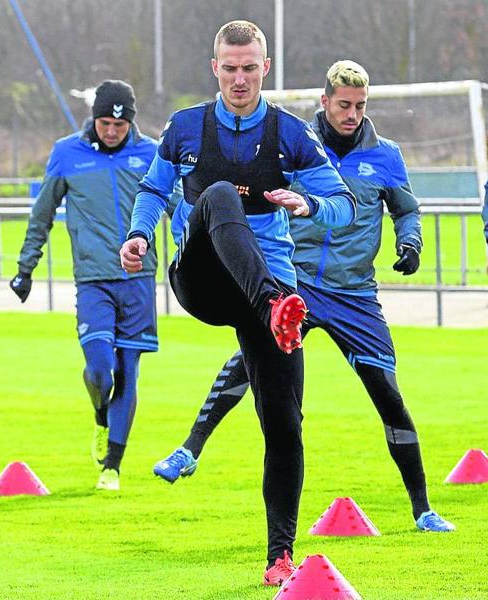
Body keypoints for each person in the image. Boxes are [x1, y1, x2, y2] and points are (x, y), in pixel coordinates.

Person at [156, 60, 455, 536]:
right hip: (301, 286)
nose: (352, 114)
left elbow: (406, 209)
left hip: (355, 294)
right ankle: (190, 447)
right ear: (325, 101)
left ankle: (422, 509)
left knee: (388, 395)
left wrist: (411, 242)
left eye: (360, 106)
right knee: (251, 361)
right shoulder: (293, 144)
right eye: (344, 105)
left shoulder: (386, 155)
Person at [120, 22, 356, 586]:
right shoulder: (185, 128)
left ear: (265, 69)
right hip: (202, 279)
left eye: (250, 68)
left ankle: (280, 556)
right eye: (230, 68)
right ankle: (276, 302)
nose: (240, 78)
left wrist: (307, 204)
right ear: (215, 68)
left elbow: (344, 204)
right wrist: (140, 235)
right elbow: (154, 189)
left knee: (285, 423)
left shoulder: (290, 133)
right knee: (219, 195)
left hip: (265, 295)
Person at [10, 80, 159, 492]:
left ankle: (112, 465)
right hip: (93, 280)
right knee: (100, 370)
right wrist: (26, 268)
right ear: (93, 119)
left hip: (139, 279)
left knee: (128, 373)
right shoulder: (66, 154)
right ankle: (99, 413)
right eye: (104, 122)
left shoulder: (151, 154)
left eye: (119, 124)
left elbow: (178, 204)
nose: (111, 131)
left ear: (131, 122)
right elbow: (41, 214)